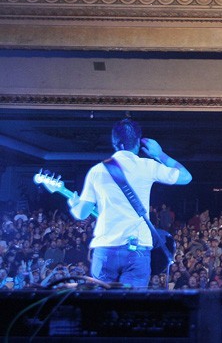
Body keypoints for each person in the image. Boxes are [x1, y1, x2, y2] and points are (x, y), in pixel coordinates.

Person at [67, 118, 192, 287]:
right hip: (137, 249)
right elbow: (186, 177)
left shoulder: (97, 171)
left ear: (114, 143)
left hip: (105, 249)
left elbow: (81, 214)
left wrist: (74, 204)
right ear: (138, 143)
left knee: (101, 301)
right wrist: (160, 154)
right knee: (132, 302)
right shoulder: (147, 166)